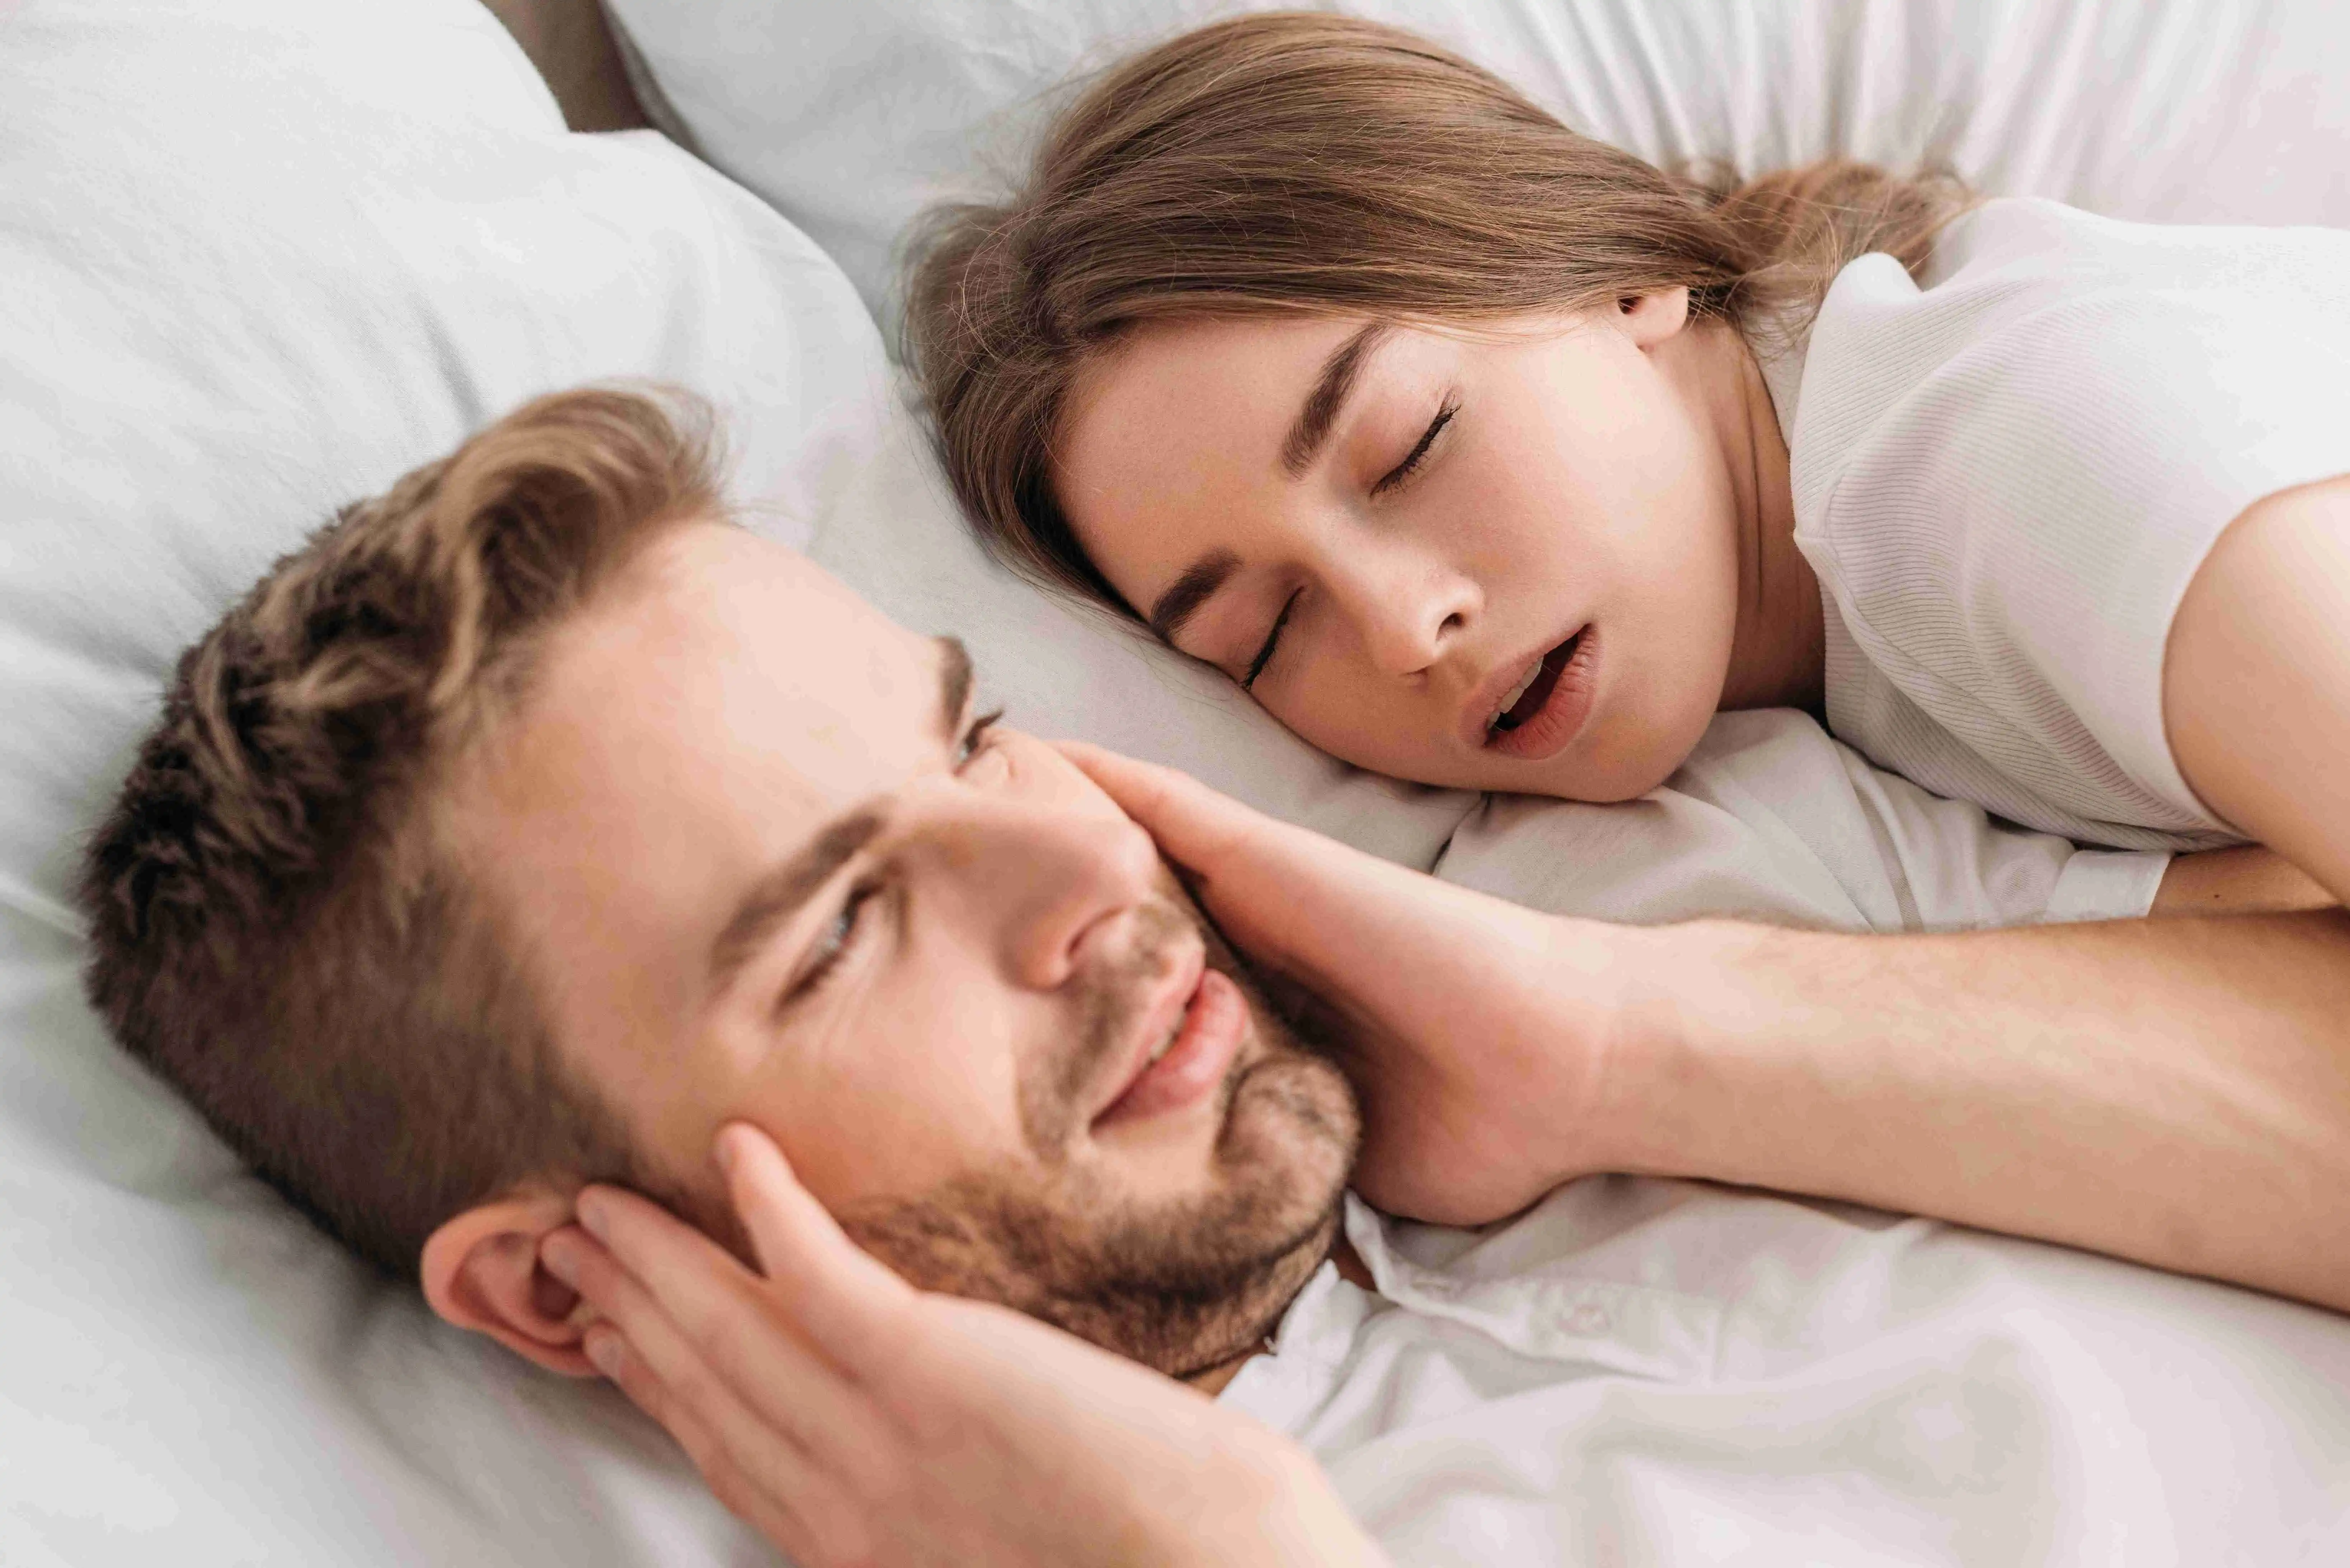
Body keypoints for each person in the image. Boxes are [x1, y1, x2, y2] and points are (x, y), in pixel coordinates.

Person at [80, 387, 2350, 1565]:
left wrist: (1624, 1050)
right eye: (847, 920)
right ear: (576, 1293)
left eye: (967, 734)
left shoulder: (1643, 887)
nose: (1075, 863)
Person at [906, 12, 2350, 910]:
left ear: (1617, 274)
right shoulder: (1790, 702)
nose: (1405, 630)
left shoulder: (2028, 449)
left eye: (1408, 447)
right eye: (1264, 633)